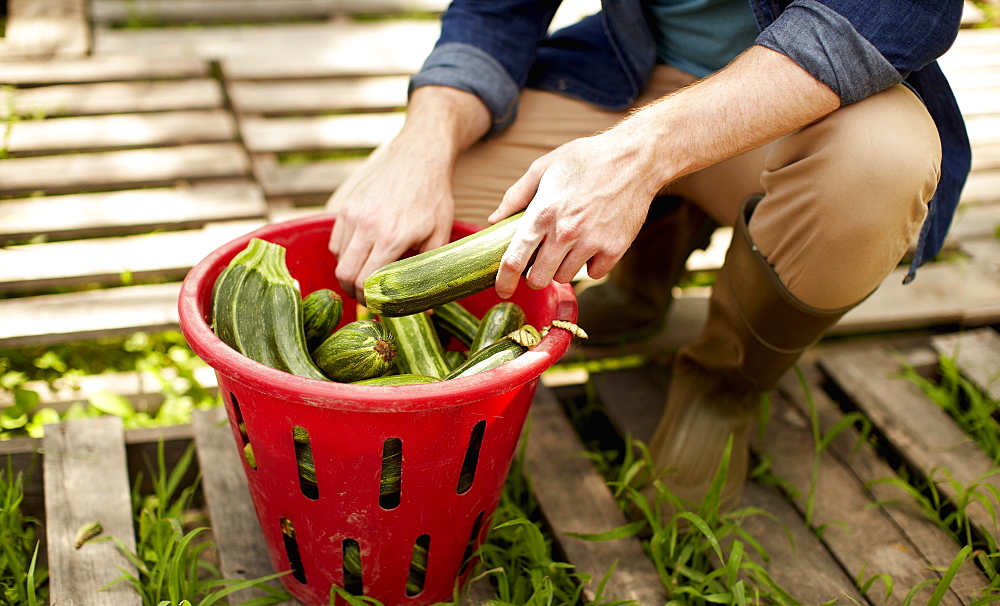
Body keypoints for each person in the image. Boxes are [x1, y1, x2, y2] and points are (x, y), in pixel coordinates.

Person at [326, 0, 971, 511]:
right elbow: (496, 11)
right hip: (626, 76)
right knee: (367, 224)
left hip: (804, 104)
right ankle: (650, 259)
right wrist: (424, 141)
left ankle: (726, 386)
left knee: (875, 170)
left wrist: (640, 158)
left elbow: (889, 14)